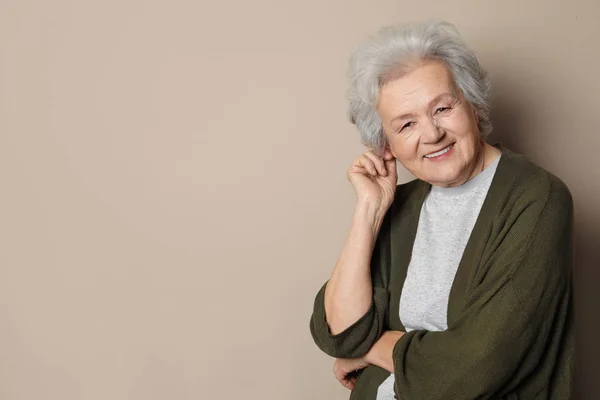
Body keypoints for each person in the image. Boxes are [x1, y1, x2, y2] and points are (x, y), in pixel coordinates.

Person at [309, 20, 574, 399]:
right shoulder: (399, 206)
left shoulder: (537, 199)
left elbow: (470, 370)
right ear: (386, 146)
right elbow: (340, 331)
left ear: (473, 104)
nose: (432, 134)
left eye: (443, 108)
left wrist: (370, 348)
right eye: (406, 124)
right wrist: (368, 211)